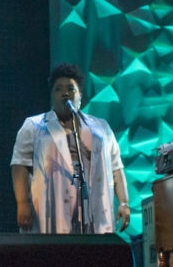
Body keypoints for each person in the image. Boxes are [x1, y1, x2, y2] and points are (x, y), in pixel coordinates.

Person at [11, 63, 129, 234]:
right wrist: (22, 203)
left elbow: (116, 167)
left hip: (93, 204)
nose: (65, 93)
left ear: (80, 95)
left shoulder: (101, 128)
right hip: (53, 204)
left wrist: (124, 203)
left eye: (71, 89)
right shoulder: (34, 126)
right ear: (52, 95)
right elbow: (19, 165)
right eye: (58, 89)